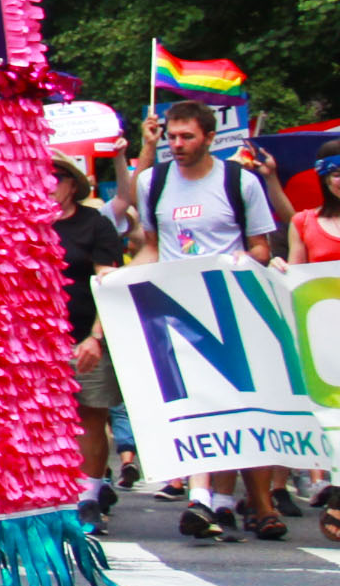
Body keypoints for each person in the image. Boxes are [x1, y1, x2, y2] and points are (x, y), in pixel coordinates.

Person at [127, 100, 286, 540]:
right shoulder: (152, 182)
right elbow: (153, 247)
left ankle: (251, 500)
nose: (176, 145)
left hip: (231, 306)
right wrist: (121, 281)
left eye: (186, 137)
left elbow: (261, 247)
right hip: (177, 312)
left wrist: (242, 258)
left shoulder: (240, 182)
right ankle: (202, 500)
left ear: (210, 138)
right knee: (194, 403)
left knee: (240, 403)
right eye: (171, 137)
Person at [50, 162, 131, 526]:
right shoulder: (27, 224)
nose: (46, 184)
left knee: (90, 414)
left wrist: (95, 337)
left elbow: (108, 283)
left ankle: (89, 495)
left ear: (72, 185)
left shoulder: (95, 223)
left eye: (55, 177)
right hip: (37, 342)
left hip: (83, 333)